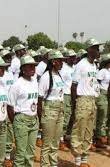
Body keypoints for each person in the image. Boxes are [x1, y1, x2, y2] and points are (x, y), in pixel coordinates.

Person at [71, 38, 102, 167]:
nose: (98, 51)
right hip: (82, 99)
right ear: (89, 49)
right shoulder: (81, 65)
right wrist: (75, 104)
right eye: (95, 48)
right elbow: (73, 86)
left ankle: (84, 160)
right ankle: (77, 161)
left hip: (92, 100)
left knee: (89, 131)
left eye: (98, 48)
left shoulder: (94, 65)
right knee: (79, 131)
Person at [8, 55, 39, 167]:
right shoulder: (17, 84)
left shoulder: (35, 81)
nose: (32, 69)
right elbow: (10, 107)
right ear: (23, 69)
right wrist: (16, 122)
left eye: (34, 66)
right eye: (29, 66)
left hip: (34, 119)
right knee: (20, 153)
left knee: (30, 153)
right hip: (21, 119)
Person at [38, 50, 65, 167]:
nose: (62, 63)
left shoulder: (58, 75)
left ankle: (53, 165)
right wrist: (40, 118)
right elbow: (40, 99)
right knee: (47, 144)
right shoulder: (45, 77)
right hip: (49, 110)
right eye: (60, 61)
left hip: (60, 109)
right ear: (53, 62)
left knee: (56, 142)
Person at [0, 49, 15, 166]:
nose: (9, 59)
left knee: (9, 131)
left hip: (10, 105)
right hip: (0, 106)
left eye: (10, 57)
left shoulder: (10, 74)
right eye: (6, 57)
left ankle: (7, 156)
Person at [59, 49, 76, 150]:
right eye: (71, 57)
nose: (73, 58)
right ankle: (60, 139)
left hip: (73, 95)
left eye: (74, 57)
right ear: (66, 58)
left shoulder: (74, 67)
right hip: (65, 94)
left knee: (71, 117)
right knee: (65, 117)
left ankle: (67, 137)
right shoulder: (63, 68)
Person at [95, 53, 110, 148]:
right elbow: (97, 82)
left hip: (107, 94)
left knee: (106, 116)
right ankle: (99, 137)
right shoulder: (103, 71)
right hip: (102, 94)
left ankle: (104, 135)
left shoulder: (108, 71)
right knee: (102, 115)